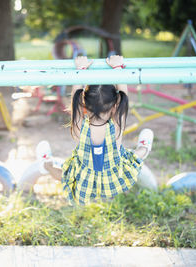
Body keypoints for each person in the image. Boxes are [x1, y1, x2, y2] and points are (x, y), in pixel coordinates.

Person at [37, 55, 154, 205]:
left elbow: (76, 96)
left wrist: (80, 69)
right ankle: (144, 147)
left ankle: (46, 165)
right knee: (136, 156)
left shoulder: (79, 127)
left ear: (84, 103)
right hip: (114, 178)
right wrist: (117, 67)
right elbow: (123, 93)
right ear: (115, 105)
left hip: (84, 180)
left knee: (64, 176)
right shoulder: (117, 126)